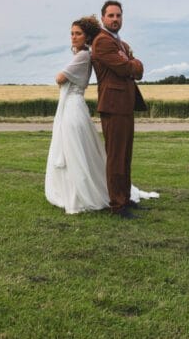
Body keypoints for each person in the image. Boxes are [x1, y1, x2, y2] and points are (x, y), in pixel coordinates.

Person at [45, 15, 158, 215]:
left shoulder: (85, 54)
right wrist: (127, 55)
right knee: (95, 153)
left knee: (86, 152)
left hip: (77, 107)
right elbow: (122, 61)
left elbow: (60, 78)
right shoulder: (94, 48)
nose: (73, 37)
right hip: (85, 106)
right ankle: (116, 198)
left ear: (86, 35)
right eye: (71, 33)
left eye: (78, 34)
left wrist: (130, 60)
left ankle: (112, 197)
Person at [91, 0, 149, 218]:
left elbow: (135, 68)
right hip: (113, 106)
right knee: (116, 156)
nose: (115, 19)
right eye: (111, 16)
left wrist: (134, 65)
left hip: (125, 105)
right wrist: (134, 64)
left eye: (118, 16)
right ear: (103, 18)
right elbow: (127, 67)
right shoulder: (102, 41)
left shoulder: (121, 44)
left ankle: (125, 197)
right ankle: (117, 204)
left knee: (125, 155)